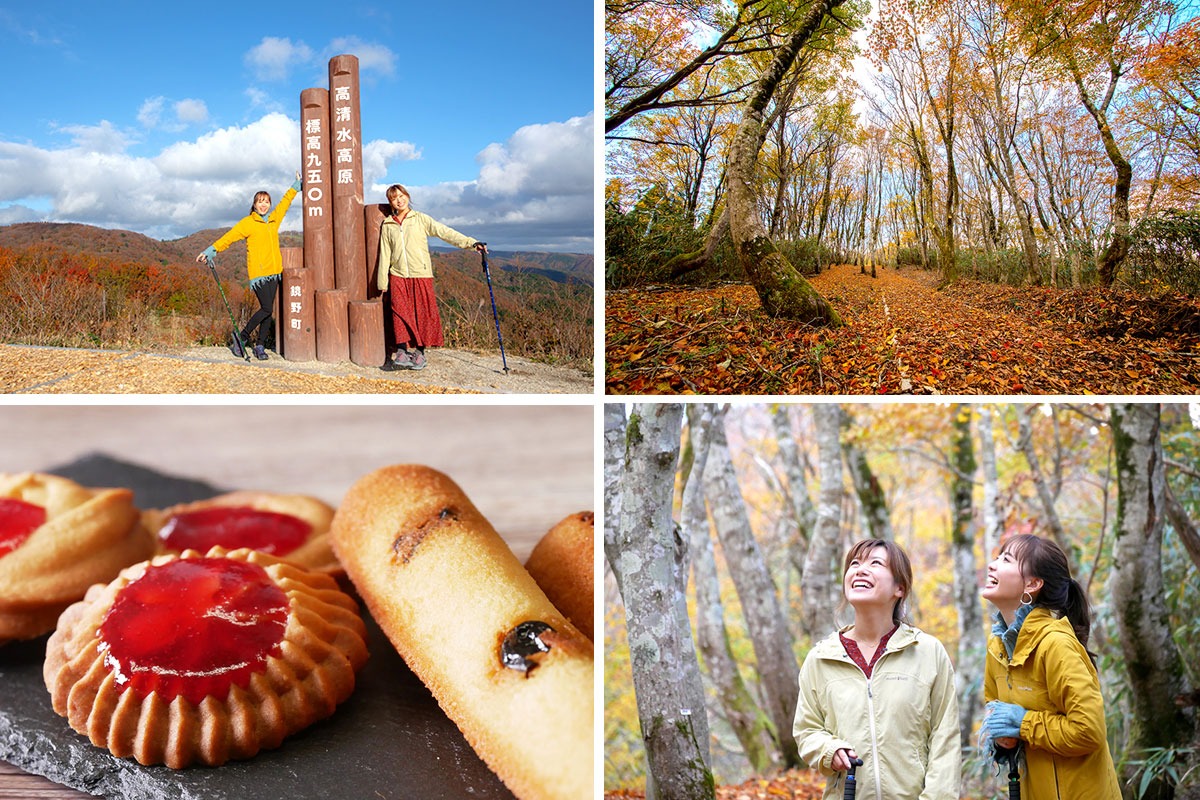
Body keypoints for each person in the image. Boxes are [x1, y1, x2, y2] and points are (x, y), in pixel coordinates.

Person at [793, 539, 960, 800]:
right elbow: (806, 730)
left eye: (875, 563)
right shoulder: (820, 658)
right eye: (855, 564)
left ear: (900, 588)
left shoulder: (928, 651)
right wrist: (829, 750)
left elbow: (945, 739)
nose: (860, 570)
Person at [979, 533, 1121, 798]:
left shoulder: (1055, 644)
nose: (992, 564)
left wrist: (1023, 724)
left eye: (1006, 559)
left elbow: (1089, 731)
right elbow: (995, 713)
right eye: (997, 557)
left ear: (1032, 584)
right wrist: (1003, 740)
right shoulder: (996, 646)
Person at [376, 184, 486, 371]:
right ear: (390, 202)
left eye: (402, 196)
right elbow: (385, 254)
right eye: (394, 198)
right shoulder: (388, 224)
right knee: (400, 313)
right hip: (398, 274)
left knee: (423, 314)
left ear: (408, 197)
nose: (399, 200)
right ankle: (402, 351)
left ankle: (420, 353)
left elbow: (444, 232)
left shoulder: (420, 219)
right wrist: (382, 281)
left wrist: (470, 243)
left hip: (421, 274)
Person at [196, 172, 301, 360]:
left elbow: (285, 203)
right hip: (259, 273)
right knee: (267, 309)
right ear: (254, 204)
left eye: (266, 201)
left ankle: (260, 346)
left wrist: (295, 186)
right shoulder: (248, 223)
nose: (263, 204)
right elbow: (229, 237)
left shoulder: (274, 219)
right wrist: (211, 250)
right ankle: (241, 337)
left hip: (275, 272)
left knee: (268, 311)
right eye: (260, 201)